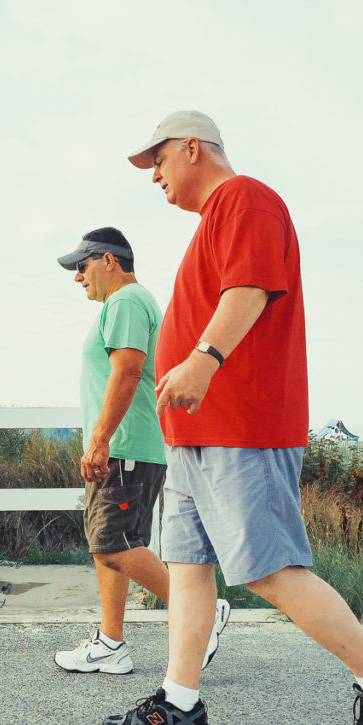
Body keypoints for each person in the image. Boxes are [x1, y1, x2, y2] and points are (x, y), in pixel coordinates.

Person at [101, 111, 363, 725]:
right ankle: (180, 702)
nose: (155, 176)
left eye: (160, 161)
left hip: (241, 425)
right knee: (190, 567)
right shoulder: (214, 220)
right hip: (198, 434)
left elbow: (249, 288)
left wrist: (203, 360)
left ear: (194, 148)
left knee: (268, 568)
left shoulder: (246, 199)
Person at [54, 227, 230, 674]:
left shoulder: (126, 302)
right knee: (105, 545)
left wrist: (100, 440)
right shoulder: (126, 304)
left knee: (115, 544)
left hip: (124, 445)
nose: (78, 277)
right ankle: (111, 644)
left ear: (109, 260)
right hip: (123, 445)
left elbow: (129, 372)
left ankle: (203, 613)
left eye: (82, 265)